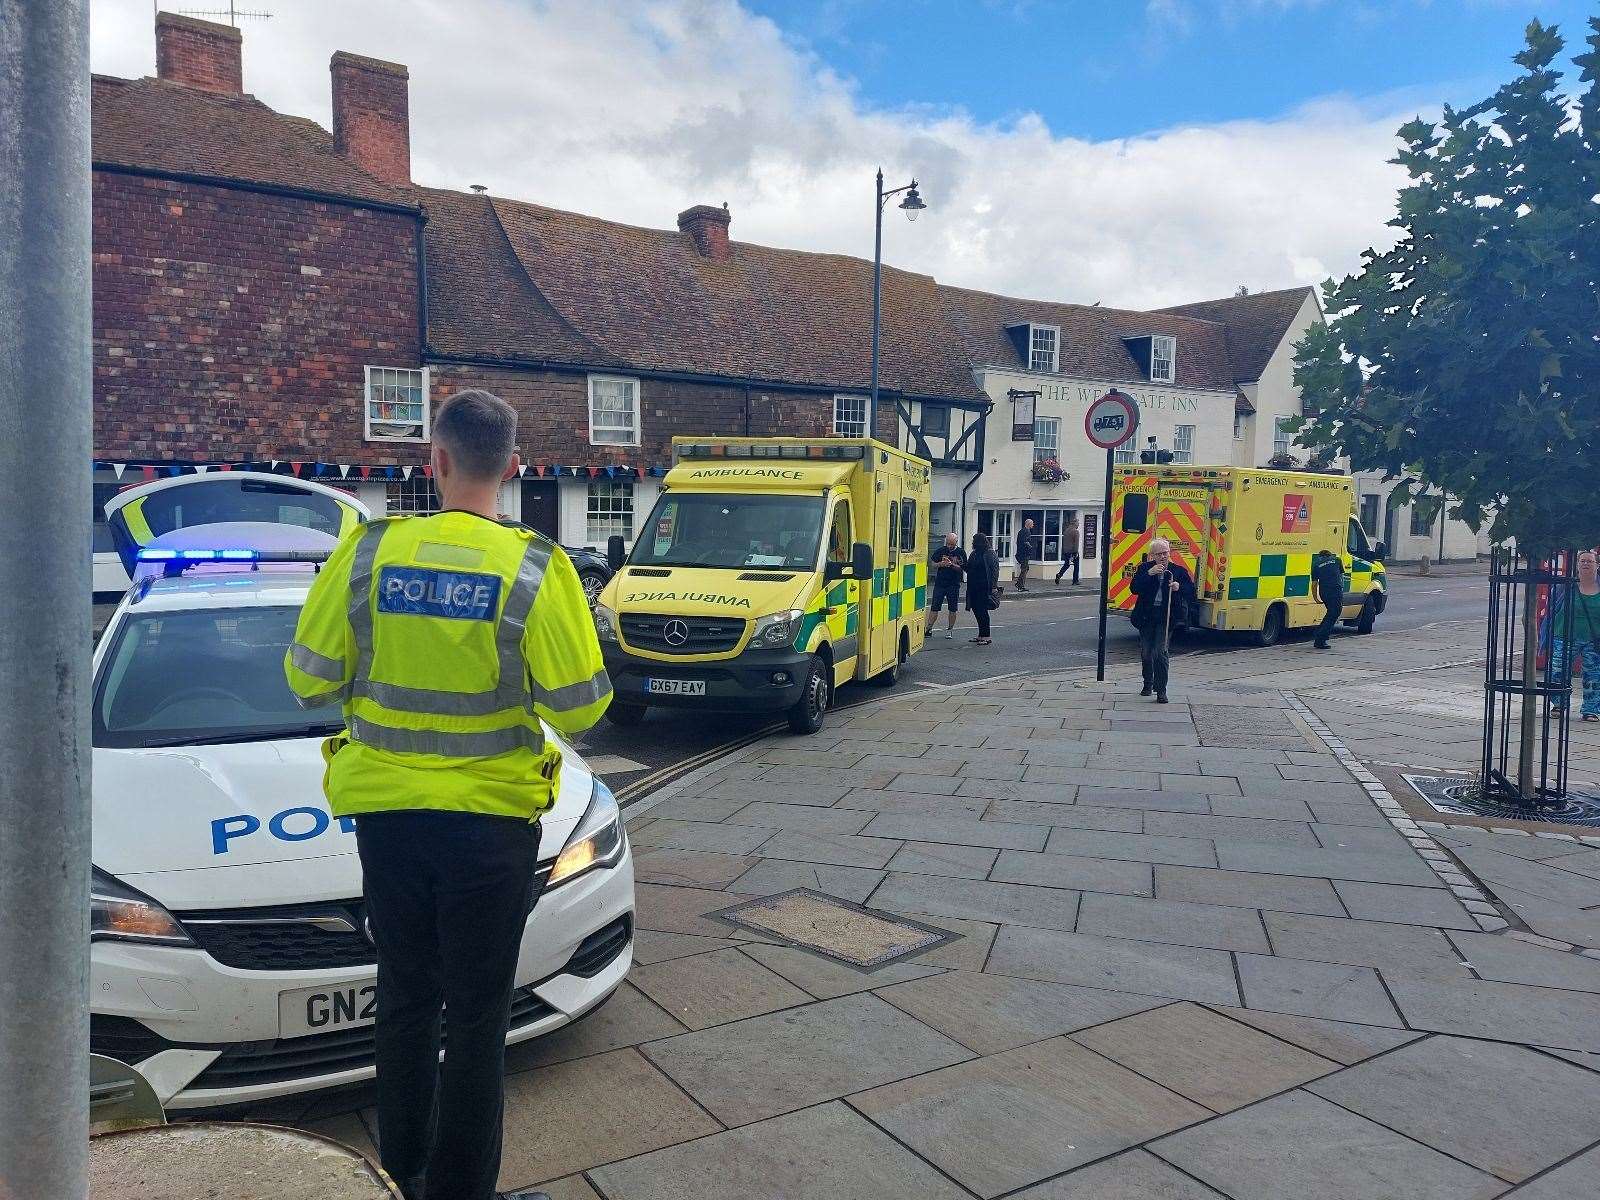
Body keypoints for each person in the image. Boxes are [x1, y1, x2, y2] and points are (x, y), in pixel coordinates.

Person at [285, 390, 611, 1200]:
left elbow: (305, 678)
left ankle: (398, 1174)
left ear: (433, 462)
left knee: (403, 1001)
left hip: (389, 822)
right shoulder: (537, 565)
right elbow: (583, 708)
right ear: (512, 469)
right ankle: (462, 1192)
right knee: (475, 1018)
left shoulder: (366, 552)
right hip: (491, 829)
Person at [1130, 537, 1195, 703]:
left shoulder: (1177, 571)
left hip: (1166, 617)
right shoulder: (1145, 568)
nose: (1163, 557)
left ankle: (1161, 690)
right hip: (1146, 616)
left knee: (1160, 652)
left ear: (1169, 553)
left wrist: (1178, 587)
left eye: (1165, 553)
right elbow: (1134, 588)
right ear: (1152, 555)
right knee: (1146, 652)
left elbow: (1190, 591)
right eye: (1159, 554)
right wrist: (1149, 574)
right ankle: (1148, 683)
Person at [1547, 549, 1600, 721]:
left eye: (1590, 561)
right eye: (1582, 561)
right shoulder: (1566, 585)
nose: (1586, 564)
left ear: (1597, 565)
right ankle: (1559, 704)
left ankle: (1591, 709)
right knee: (1557, 671)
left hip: (1594, 639)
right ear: (1577, 565)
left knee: (1593, 674)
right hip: (1564, 635)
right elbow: (1552, 607)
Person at [928, 532, 967, 639]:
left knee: (952, 608)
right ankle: (929, 628)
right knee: (934, 607)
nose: (949, 546)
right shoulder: (941, 550)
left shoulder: (960, 552)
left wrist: (952, 565)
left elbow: (963, 568)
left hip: (953, 584)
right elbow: (932, 563)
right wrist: (940, 564)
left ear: (956, 543)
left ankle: (950, 630)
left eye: (952, 544)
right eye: (948, 544)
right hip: (940, 583)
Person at [966, 531, 1000, 645]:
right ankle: (981, 635)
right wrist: (958, 564)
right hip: (974, 586)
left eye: (974, 541)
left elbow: (995, 570)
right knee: (976, 610)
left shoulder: (990, 553)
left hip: (985, 586)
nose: (972, 543)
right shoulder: (974, 553)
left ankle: (986, 636)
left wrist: (994, 586)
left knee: (982, 611)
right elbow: (969, 567)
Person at [1311, 548, 1346, 650]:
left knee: (1331, 613)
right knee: (1334, 613)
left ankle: (1319, 634)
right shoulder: (1337, 560)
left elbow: (1314, 584)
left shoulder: (1316, 565)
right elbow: (1341, 576)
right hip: (1335, 590)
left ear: (1320, 556)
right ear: (1329, 555)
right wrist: (1341, 590)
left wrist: (1316, 598)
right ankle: (1320, 638)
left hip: (1324, 592)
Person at [1054, 514, 1081, 586]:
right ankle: (1075, 580)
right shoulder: (1076, 531)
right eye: (1078, 523)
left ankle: (1059, 574)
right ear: (1075, 523)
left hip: (1066, 551)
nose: (1078, 525)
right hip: (1073, 551)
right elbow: (1076, 543)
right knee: (1076, 565)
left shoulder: (1066, 531)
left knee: (1067, 564)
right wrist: (1076, 553)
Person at [1014, 519, 1036, 590]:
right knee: (1024, 569)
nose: (1033, 525)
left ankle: (1019, 583)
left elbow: (1018, 542)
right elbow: (1026, 542)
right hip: (1024, 554)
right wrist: (1031, 547)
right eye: (1032, 524)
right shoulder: (1026, 531)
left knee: (1025, 568)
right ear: (1028, 524)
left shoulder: (1021, 531)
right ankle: (1020, 586)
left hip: (1020, 553)